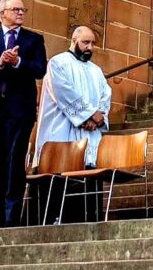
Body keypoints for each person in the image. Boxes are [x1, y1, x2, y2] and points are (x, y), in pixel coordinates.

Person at [0, 0, 48, 228]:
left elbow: (40, 69)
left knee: (16, 161)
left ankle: (13, 214)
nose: (21, 13)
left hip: (21, 110)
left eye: (23, 9)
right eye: (16, 9)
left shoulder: (34, 39)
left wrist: (17, 62)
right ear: (2, 13)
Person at [34, 26, 111, 170]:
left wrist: (98, 117)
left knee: (89, 186)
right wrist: (89, 115)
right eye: (86, 42)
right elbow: (63, 93)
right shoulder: (57, 63)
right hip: (60, 132)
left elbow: (105, 95)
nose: (90, 47)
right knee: (58, 181)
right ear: (74, 40)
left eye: (93, 43)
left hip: (90, 135)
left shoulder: (96, 71)